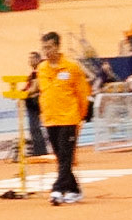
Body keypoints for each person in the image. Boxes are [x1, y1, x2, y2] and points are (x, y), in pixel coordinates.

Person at [36, 31, 91, 203]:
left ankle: (57, 190)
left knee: (66, 156)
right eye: (44, 48)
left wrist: (81, 115)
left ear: (57, 47)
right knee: (61, 157)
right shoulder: (41, 68)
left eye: (50, 47)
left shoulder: (71, 67)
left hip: (68, 118)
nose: (47, 51)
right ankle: (74, 189)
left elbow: (82, 93)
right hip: (51, 119)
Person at [21, 51, 47, 159]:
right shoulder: (33, 73)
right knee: (34, 127)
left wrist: (24, 93)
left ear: (37, 59)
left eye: (32, 58)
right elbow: (29, 86)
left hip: (35, 102)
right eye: (29, 58)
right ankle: (40, 150)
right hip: (31, 101)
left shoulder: (39, 71)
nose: (30, 61)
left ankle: (40, 151)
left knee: (35, 127)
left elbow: (36, 87)